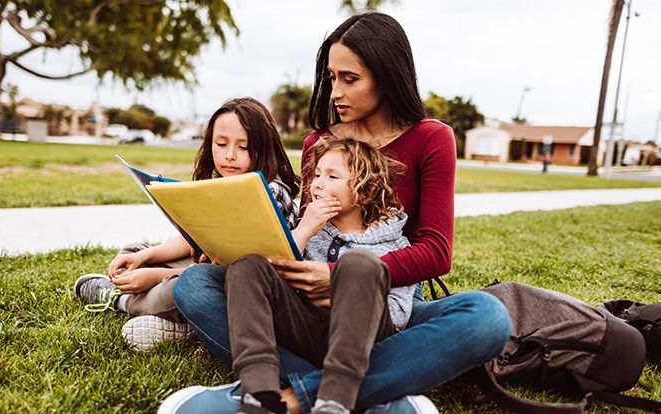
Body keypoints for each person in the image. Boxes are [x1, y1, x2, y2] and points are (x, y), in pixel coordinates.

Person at [163, 11, 512, 414]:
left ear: (387, 75)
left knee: (486, 317)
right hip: (305, 296)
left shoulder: (431, 138)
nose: (335, 93)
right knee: (195, 284)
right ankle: (372, 396)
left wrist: (338, 278)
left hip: (387, 295)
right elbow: (302, 234)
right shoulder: (319, 144)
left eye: (350, 79)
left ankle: (294, 398)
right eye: (331, 78)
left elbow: (436, 251)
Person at [216, 137, 430, 414]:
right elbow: (271, 273)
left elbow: (399, 315)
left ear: (366, 191)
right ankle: (260, 394)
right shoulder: (311, 231)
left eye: (332, 176)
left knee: (359, 264)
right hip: (307, 332)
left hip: (364, 342)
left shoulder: (395, 245)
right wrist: (304, 230)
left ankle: (335, 401)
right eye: (317, 174)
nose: (317, 183)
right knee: (247, 264)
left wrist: (343, 298)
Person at [73, 97, 300, 351]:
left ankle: (121, 301)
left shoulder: (270, 191)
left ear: (262, 147)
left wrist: (158, 276)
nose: (229, 156)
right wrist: (145, 257)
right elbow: (194, 239)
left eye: (243, 147)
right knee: (134, 252)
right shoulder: (222, 182)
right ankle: (182, 322)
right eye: (221, 144)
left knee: (178, 286)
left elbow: (232, 270)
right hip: (206, 268)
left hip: (240, 287)